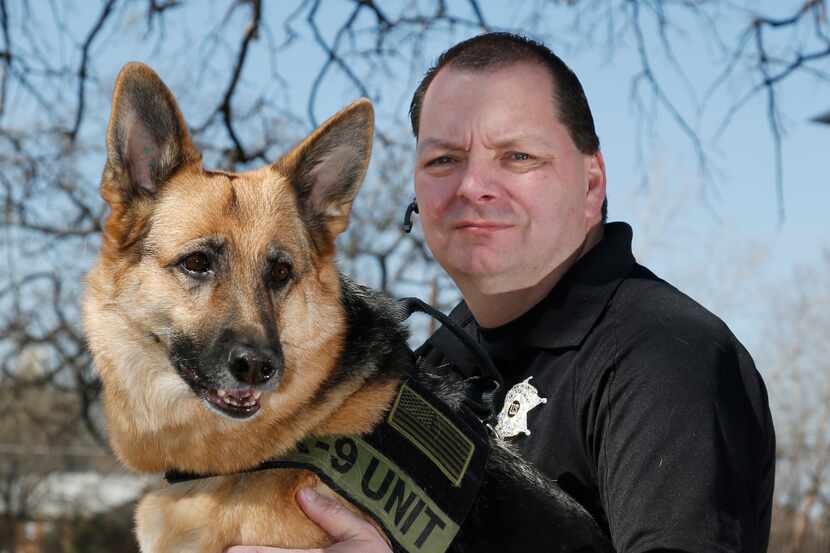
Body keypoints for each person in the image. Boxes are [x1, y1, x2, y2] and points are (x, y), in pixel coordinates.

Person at [230, 32, 775, 553]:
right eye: (444, 160)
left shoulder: (667, 357)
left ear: (591, 186)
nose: (472, 187)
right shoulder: (425, 372)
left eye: (518, 157)